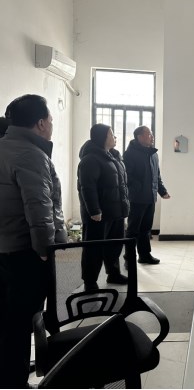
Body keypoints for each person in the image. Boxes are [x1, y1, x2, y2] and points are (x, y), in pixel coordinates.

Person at [0, 94, 67, 388]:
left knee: (7, 319)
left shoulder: (4, 147)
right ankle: (14, 381)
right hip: (22, 254)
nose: (52, 124)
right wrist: (44, 252)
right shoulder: (31, 155)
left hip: (4, 250)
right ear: (40, 123)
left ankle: (9, 371)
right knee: (20, 321)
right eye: (50, 119)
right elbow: (39, 211)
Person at [77, 124, 129, 291]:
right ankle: (90, 281)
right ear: (102, 137)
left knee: (115, 246)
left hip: (115, 212)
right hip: (99, 214)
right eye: (111, 134)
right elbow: (87, 187)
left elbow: (120, 185)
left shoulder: (113, 157)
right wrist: (94, 210)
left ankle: (113, 273)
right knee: (94, 249)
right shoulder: (90, 159)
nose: (114, 137)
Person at [123, 126, 170, 265]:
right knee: (133, 230)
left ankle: (144, 255)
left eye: (152, 134)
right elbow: (127, 176)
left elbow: (157, 176)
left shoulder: (153, 154)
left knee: (145, 229)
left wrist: (162, 191)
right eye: (149, 134)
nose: (152, 137)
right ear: (140, 137)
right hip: (136, 199)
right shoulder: (130, 154)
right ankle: (128, 259)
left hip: (150, 198)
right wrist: (138, 187)